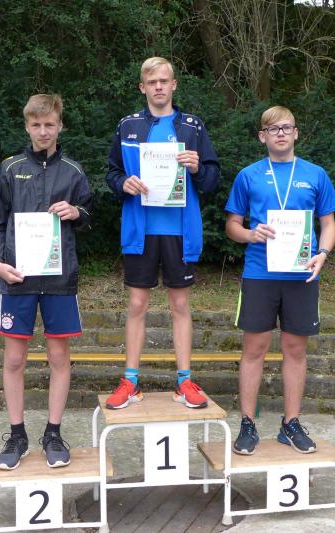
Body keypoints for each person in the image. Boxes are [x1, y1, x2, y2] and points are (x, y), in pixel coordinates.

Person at [105, 57, 220, 410]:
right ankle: (130, 381)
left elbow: (212, 180)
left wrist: (198, 168)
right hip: (141, 230)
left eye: (164, 81)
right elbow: (111, 173)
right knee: (137, 304)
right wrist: (123, 183)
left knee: (180, 304)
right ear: (143, 87)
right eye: (152, 81)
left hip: (179, 231)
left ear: (174, 85)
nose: (158, 86)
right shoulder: (128, 126)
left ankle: (184, 381)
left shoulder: (192, 126)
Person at [224, 105, 335, 454]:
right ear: (262, 136)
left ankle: (291, 423)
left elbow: (329, 224)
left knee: (295, 350)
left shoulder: (316, 174)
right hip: (260, 273)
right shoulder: (248, 175)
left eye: (286, 127)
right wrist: (250, 234)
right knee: (254, 350)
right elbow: (232, 225)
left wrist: (323, 253)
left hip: (302, 274)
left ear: (296, 133)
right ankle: (247, 423)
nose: (280, 133)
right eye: (273, 129)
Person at [0, 94, 92, 469]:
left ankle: (53, 433)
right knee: (14, 359)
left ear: (60, 126)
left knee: (59, 357)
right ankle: (17, 435)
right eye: (36, 125)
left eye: (49, 124)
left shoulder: (74, 172)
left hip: (60, 280)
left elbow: (89, 214)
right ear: (27, 126)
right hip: (18, 279)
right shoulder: (10, 169)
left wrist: (76, 211)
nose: (43, 131)